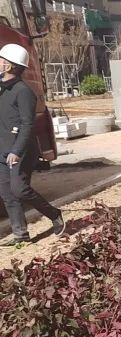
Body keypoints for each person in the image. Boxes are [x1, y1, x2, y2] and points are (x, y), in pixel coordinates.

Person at [0, 44, 64, 246]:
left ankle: (54, 214)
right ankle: (20, 234)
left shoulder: (23, 92)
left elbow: (28, 124)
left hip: (21, 150)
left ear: (10, 66)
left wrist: (17, 151)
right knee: (7, 194)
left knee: (19, 189)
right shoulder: (1, 88)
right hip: (2, 149)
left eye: (1, 60)